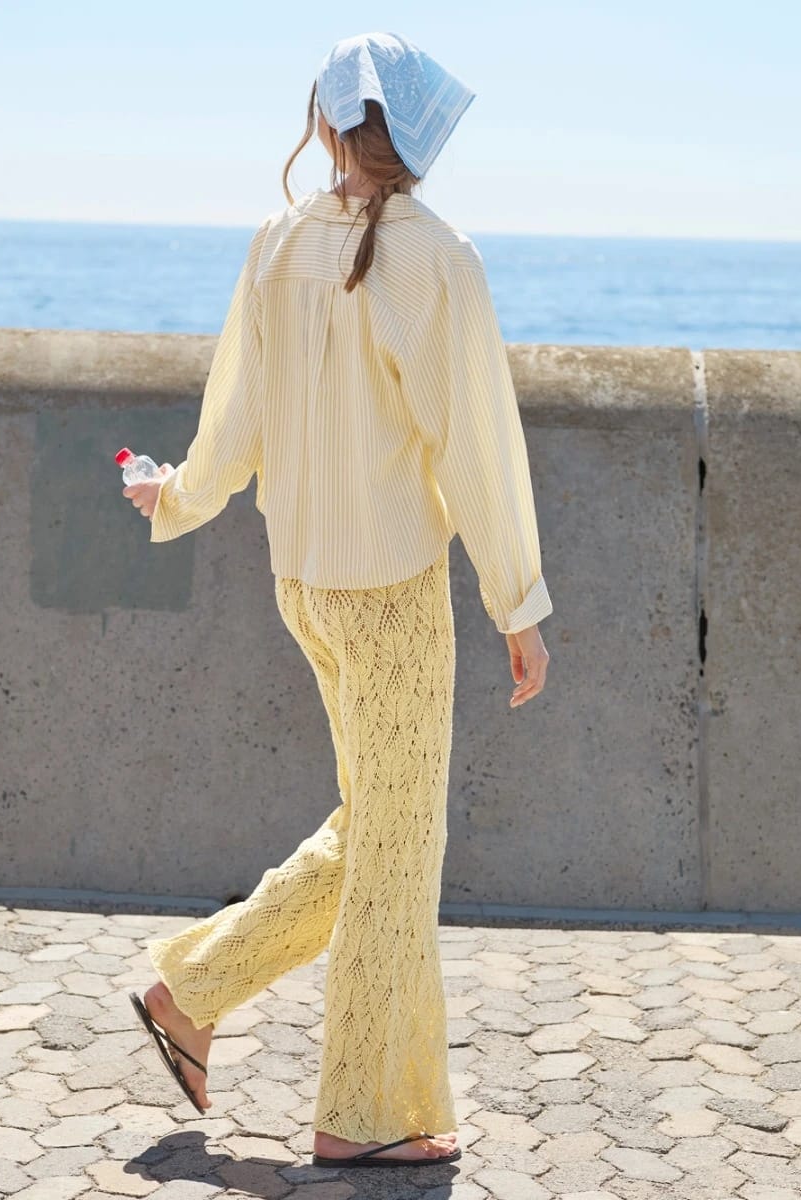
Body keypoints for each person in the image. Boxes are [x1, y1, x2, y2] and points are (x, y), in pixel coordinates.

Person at [122, 30, 552, 1170]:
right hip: (392, 596)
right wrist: (519, 605)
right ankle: (361, 1116)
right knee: (398, 850)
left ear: (325, 123)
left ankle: (189, 993)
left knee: (379, 831)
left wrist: (177, 495)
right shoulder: (437, 257)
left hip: (304, 585)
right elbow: (476, 445)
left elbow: (235, 419)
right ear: (417, 130)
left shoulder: (278, 243)